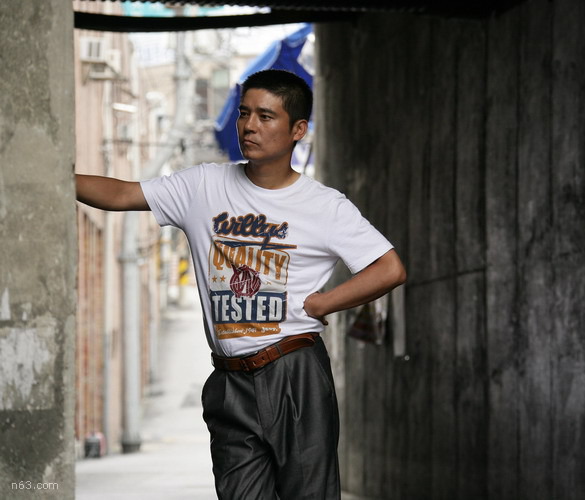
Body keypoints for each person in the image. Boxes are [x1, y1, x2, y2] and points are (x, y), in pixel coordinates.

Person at [76, 69, 406, 499]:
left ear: (297, 130)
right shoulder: (203, 186)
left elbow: (389, 269)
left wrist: (323, 303)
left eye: (265, 116)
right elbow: (122, 194)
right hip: (230, 380)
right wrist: (58, 175)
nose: (250, 126)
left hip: (294, 370)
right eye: (244, 113)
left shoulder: (325, 206)